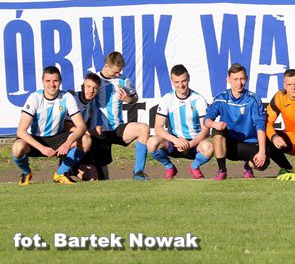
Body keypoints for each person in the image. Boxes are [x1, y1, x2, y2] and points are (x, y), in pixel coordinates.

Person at [12, 66, 89, 185]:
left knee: (86, 140)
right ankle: (26, 173)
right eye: (48, 81)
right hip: (36, 139)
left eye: (55, 81)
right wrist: (41, 148)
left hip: (57, 139)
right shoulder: (35, 98)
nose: (52, 84)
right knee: (17, 148)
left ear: (60, 81)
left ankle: (60, 174)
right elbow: (21, 131)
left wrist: (68, 142)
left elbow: (81, 126)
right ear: (43, 82)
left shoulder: (67, 97)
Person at [91, 52, 150, 180]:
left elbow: (135, 97)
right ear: (106, 66)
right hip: (100, 131)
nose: (118, 74)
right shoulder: (94, 80)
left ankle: (138, 173)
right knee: (100, 177)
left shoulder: (123, 80)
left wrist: (129, 99)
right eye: (115, 72)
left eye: (120, 71)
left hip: (117, 128)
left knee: (144, 129)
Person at [147, 65, 213, 180]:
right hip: (174, 143)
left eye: (184, 81)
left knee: (209, 148)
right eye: (176, 82)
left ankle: (194, 167)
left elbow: (206, 130)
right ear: (172, 81)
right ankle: (169, 167)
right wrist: (175, 140)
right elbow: (158, 128)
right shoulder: (167, 99)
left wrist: (189, 144)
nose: (181, 85)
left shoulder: (199, 99)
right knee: (151, 143)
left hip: (194, 143)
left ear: (188, 79)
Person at [204, 64, 269, 180]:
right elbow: (207, 120)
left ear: (247, 78)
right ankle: (222, 171)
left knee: (262, 164)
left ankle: (247, 166)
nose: (239, 83)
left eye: (242, 79)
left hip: (248, 145)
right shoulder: (221, 98)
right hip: (228, 146)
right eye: (235, 79)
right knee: (217, 132)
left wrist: (262, 151)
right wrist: (215, 124)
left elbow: (260, 126)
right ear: (228, 79)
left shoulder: (253, 99)